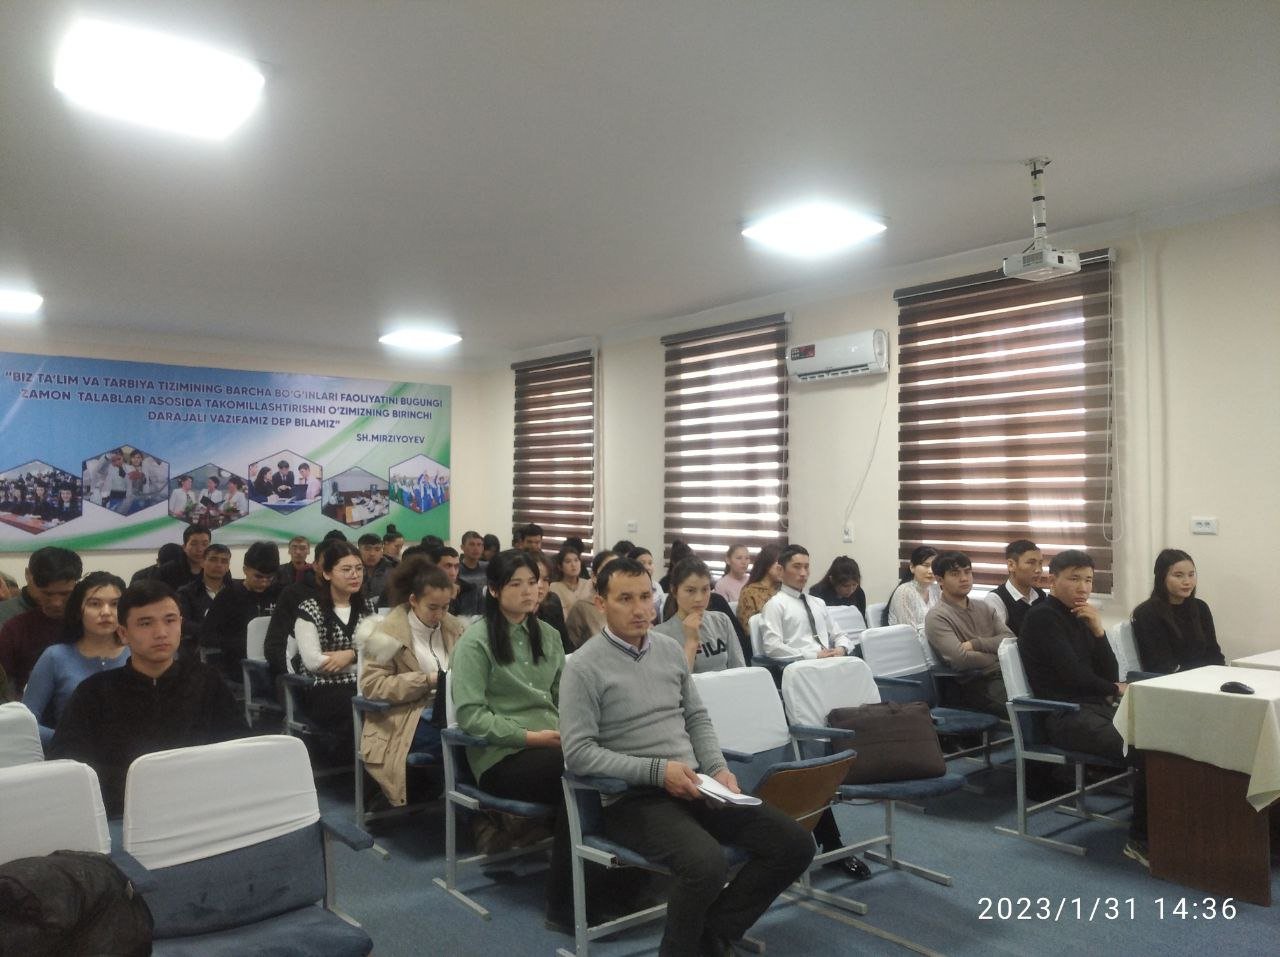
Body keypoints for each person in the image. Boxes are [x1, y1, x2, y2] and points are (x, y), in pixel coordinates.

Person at [559, 557, 815, 956]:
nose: (640, 609)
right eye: (625, 599)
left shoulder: (668, 650)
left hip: (695, 783)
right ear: (601, 603)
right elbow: (578, 754)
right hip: (632, 799)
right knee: (705, 865)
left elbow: (696, 718)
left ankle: (712, 935)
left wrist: (718, 769)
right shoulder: (583, 666)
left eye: (645, 596)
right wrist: (658, 772)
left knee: (795, 844)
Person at [50, 580, 245, 815]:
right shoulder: (94, 692)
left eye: (170, 620)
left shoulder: (207, 681)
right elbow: (69, 765)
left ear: (181, 624)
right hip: (121, 813)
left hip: (200, 808)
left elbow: (238, 748)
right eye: (145, 623)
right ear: (123, 633)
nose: (161, 633)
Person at [449, 550, 570, 927]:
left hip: (553, 745)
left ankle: (602, 880)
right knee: (578, 776)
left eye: (533, 582)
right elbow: (471, 716)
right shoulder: (476, 640)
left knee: (603, 766)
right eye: (516, 584)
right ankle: (565, 901)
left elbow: (563, 699)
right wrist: (531, 737)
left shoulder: (549, 635)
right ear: (494, 590)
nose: (528, 591)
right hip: (499, 757)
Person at [1018, 549, 1148, 867]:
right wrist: (1114, 689)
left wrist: (1098, 631)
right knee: (1145, 748)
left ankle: (1170, 822)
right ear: (1052, 580)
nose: (1083, 587)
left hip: (1093, 708)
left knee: (1163, 738)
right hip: (1065, 715)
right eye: (1074, 579)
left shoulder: (1080, 615)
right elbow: (1072, 675)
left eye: (1088, 580)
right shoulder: (1042, 617)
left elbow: (1108, 672)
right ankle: (1141, 839)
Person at [356, 558, 464, 806]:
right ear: (413, 600)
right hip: (402, 717)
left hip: (449, 712)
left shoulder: (455, 628)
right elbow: (373, 686)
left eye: (445, 607)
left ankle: (472, 810)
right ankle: (470, 813)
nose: (440, 615)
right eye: (432, 607)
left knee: (479, 737)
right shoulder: (387, 633)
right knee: (460, 743)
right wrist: (426, 680)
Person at [23, 572, 130, 739]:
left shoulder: (138, 653)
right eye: (95, 604)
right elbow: (25, 721)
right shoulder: (55, 656)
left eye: (115, 604)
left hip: (136, 751)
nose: (106, 612)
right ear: (78, 610)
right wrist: (65, 740)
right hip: (69, 750)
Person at [292, 541, 377, 737]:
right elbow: (314, 662)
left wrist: (351, 655)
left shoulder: (368, 608)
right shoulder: (310, 609)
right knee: (356, 710)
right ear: (327, 574)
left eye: (359, 569)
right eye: (346, 569)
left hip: (365, 684)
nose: (355, 575)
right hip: (324, 688)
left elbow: (380, 654)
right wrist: (362, 660)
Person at [922, 552, 1011, 715]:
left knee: (1049, 695)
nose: (964, 578)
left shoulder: (984, 607)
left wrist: (975, 644)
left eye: (967, 572)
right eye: (955, 574)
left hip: (1006, 673)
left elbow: (1010, 640)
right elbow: (960, 659)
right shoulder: (937, 617)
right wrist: (999, 655)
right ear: (940, 580)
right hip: (976, 684)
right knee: (1031, 708)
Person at [0, 547, 83, 693]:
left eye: (65, 594)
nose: (56, 602)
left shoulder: (88, 622)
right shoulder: (15, 627)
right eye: (47, 594)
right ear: (31, 580)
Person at [1130, 549, 1224, 673]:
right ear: (1162, 577)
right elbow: (1160, 664)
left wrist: (1220, 674)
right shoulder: (1147, 613)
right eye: (1178, 576)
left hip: (1206, 677)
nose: (1187, 582)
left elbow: (1214, 654)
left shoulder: (1201, 607)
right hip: (1172, 680)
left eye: (1191, 575)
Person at [759, 545, 859, 661]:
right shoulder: (775, 605)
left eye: (806, 567)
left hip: (829, 661)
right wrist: (813, 655)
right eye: (797, 567)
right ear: (781, 570)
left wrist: (841, 648)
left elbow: (840, 634)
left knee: (859, 665)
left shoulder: (818, 603)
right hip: (800, 665)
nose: (803, 573)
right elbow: (772, 648)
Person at [201, 541, 282, 680]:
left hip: (273, 662)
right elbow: (207, 636)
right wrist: (241, 643)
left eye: (269, 578)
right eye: (258, 576)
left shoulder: (279, 593)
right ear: (245, 570)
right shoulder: (228, 596)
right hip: (238, 666)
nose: (264, 582)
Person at [654, 558, 744, 672]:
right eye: (690, 591)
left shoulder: (722, 621)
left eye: (705, 589)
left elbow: (739, 669)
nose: (699, 598)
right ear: (674, 590)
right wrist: (691, 643)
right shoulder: (660, 635)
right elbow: (673, 682)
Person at [175, 543, 231, 656]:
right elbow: (183, 623)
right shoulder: (186, 592)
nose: (219, 565)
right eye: (213, 559)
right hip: (196, 650)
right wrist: (210, 631)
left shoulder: (235, 591)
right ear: (202, 562)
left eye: (224, 561)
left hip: (230, 650)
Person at [983, 539, 1047, 636]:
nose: (1038, 570)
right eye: (1031, 563)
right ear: (1011, 565)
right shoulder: (996, 599)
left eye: (1040, 563)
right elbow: (998, 640)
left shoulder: (1041, 595)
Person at [565, 550, 615, 648]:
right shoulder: (582, 607)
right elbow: (570, 647)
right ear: (594, 577)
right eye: (608, 569)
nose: (614, 574)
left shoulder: (630, 606)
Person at [886, 545, 940, 633]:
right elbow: (909, 633)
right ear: (912, 567)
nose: (931, 571)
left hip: (933, 639)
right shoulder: (904, 592)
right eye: (926, 565)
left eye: (934, 567)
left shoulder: (936, 590)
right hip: (906, 640)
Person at [735, 544, 783, 632]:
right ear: (767, 564)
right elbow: (748, 629)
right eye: (779, 564)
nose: (783, 569)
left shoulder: (784, 590)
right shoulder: (750, 592)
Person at [531, 551, 571, 653]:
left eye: (545, 579)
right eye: (535, 579)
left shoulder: (552, 603)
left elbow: (565, 645)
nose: (540, 585)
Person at [809, 555, 868, 621]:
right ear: (832, 580)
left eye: (854, 585)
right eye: (845, 586)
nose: (851, 590)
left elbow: (861, 620)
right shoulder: (817, 594)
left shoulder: (859, 593)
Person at [155, 525, 210, 591]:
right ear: (184, 547)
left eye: (204, 544)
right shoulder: (167, 571)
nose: (200, 549)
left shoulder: (215, 569)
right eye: (194, 544)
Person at [549, 545, 593, 613]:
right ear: (560, 567)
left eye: (576, 560)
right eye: (568, 561)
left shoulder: (589, 584)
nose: (573, 565)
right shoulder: (553, 587)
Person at [627, 547, 665, 622]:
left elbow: (663, 609)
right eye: (642, 563)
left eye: (650, 563)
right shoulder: (627, 587)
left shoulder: (656, 586)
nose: (648, 567)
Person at [358, 533, 394, 603]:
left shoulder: (393, 568)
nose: (372, 554)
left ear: (382, 551)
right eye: (367, 549)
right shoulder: (350, 569)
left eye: (377, 549)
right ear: (358, 550)